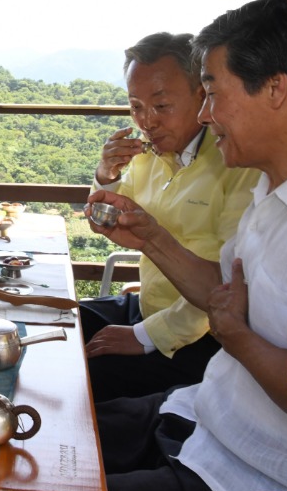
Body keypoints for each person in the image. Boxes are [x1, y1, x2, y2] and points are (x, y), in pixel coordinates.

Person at [86, 0, 287, 491]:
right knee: (49, 431)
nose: (206, 115)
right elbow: (225, 292)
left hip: (260, 480)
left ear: (275, 89)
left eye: (212, 92)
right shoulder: (277, 187)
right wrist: (153, 240)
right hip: (205, 417)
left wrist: (237, 337)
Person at [82, 32, 258, 402]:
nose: (147, 121)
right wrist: (105, 176)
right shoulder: (147, 156)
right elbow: (113, 214)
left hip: (204, 337)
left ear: (201, 96)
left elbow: (227, 286)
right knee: (67, 323)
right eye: (136, 107)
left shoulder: (238, 165)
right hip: (149, 304)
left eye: (161, 106)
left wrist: (146, 336)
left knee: (87, 376)